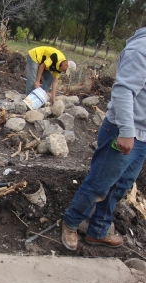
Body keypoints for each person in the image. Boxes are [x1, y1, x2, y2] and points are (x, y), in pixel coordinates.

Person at [61, 24, 146, 251]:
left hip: (143, 135)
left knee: (121, 185)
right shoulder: (141, 48)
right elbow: (123, 90)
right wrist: (127, 131)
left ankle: (98, 230)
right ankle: (71, 222)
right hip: (124, 131)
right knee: (100, 183)